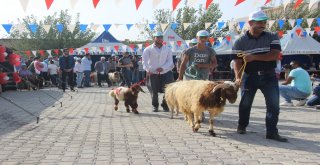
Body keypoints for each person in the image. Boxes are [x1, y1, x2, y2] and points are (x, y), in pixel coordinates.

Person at [233, 10, 287, 142]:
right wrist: (238, 77)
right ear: (250, 23)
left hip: (269, 76)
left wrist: (254, 57)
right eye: (259, 22)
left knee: (274, 105)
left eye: (264, 22)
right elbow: (237, 61)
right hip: (249, 77)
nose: (263, 24)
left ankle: (271, 132)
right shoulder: (240, 41)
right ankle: (242, 125)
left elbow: (275, 55)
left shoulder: (272, 36)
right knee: (245, 103)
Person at [142, 31, 174, 112]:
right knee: (154, 90)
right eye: (158, 37)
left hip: (166, 72)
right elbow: (144, 61)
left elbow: (170, 61)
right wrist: (148, 70)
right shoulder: (148, 49)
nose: (160, 38)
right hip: (152, 73)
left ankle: (165, 105)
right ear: (154, 38)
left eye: (161, 37)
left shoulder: (167, 49)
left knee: (167, 90)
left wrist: (163, 68)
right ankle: (155, 106)